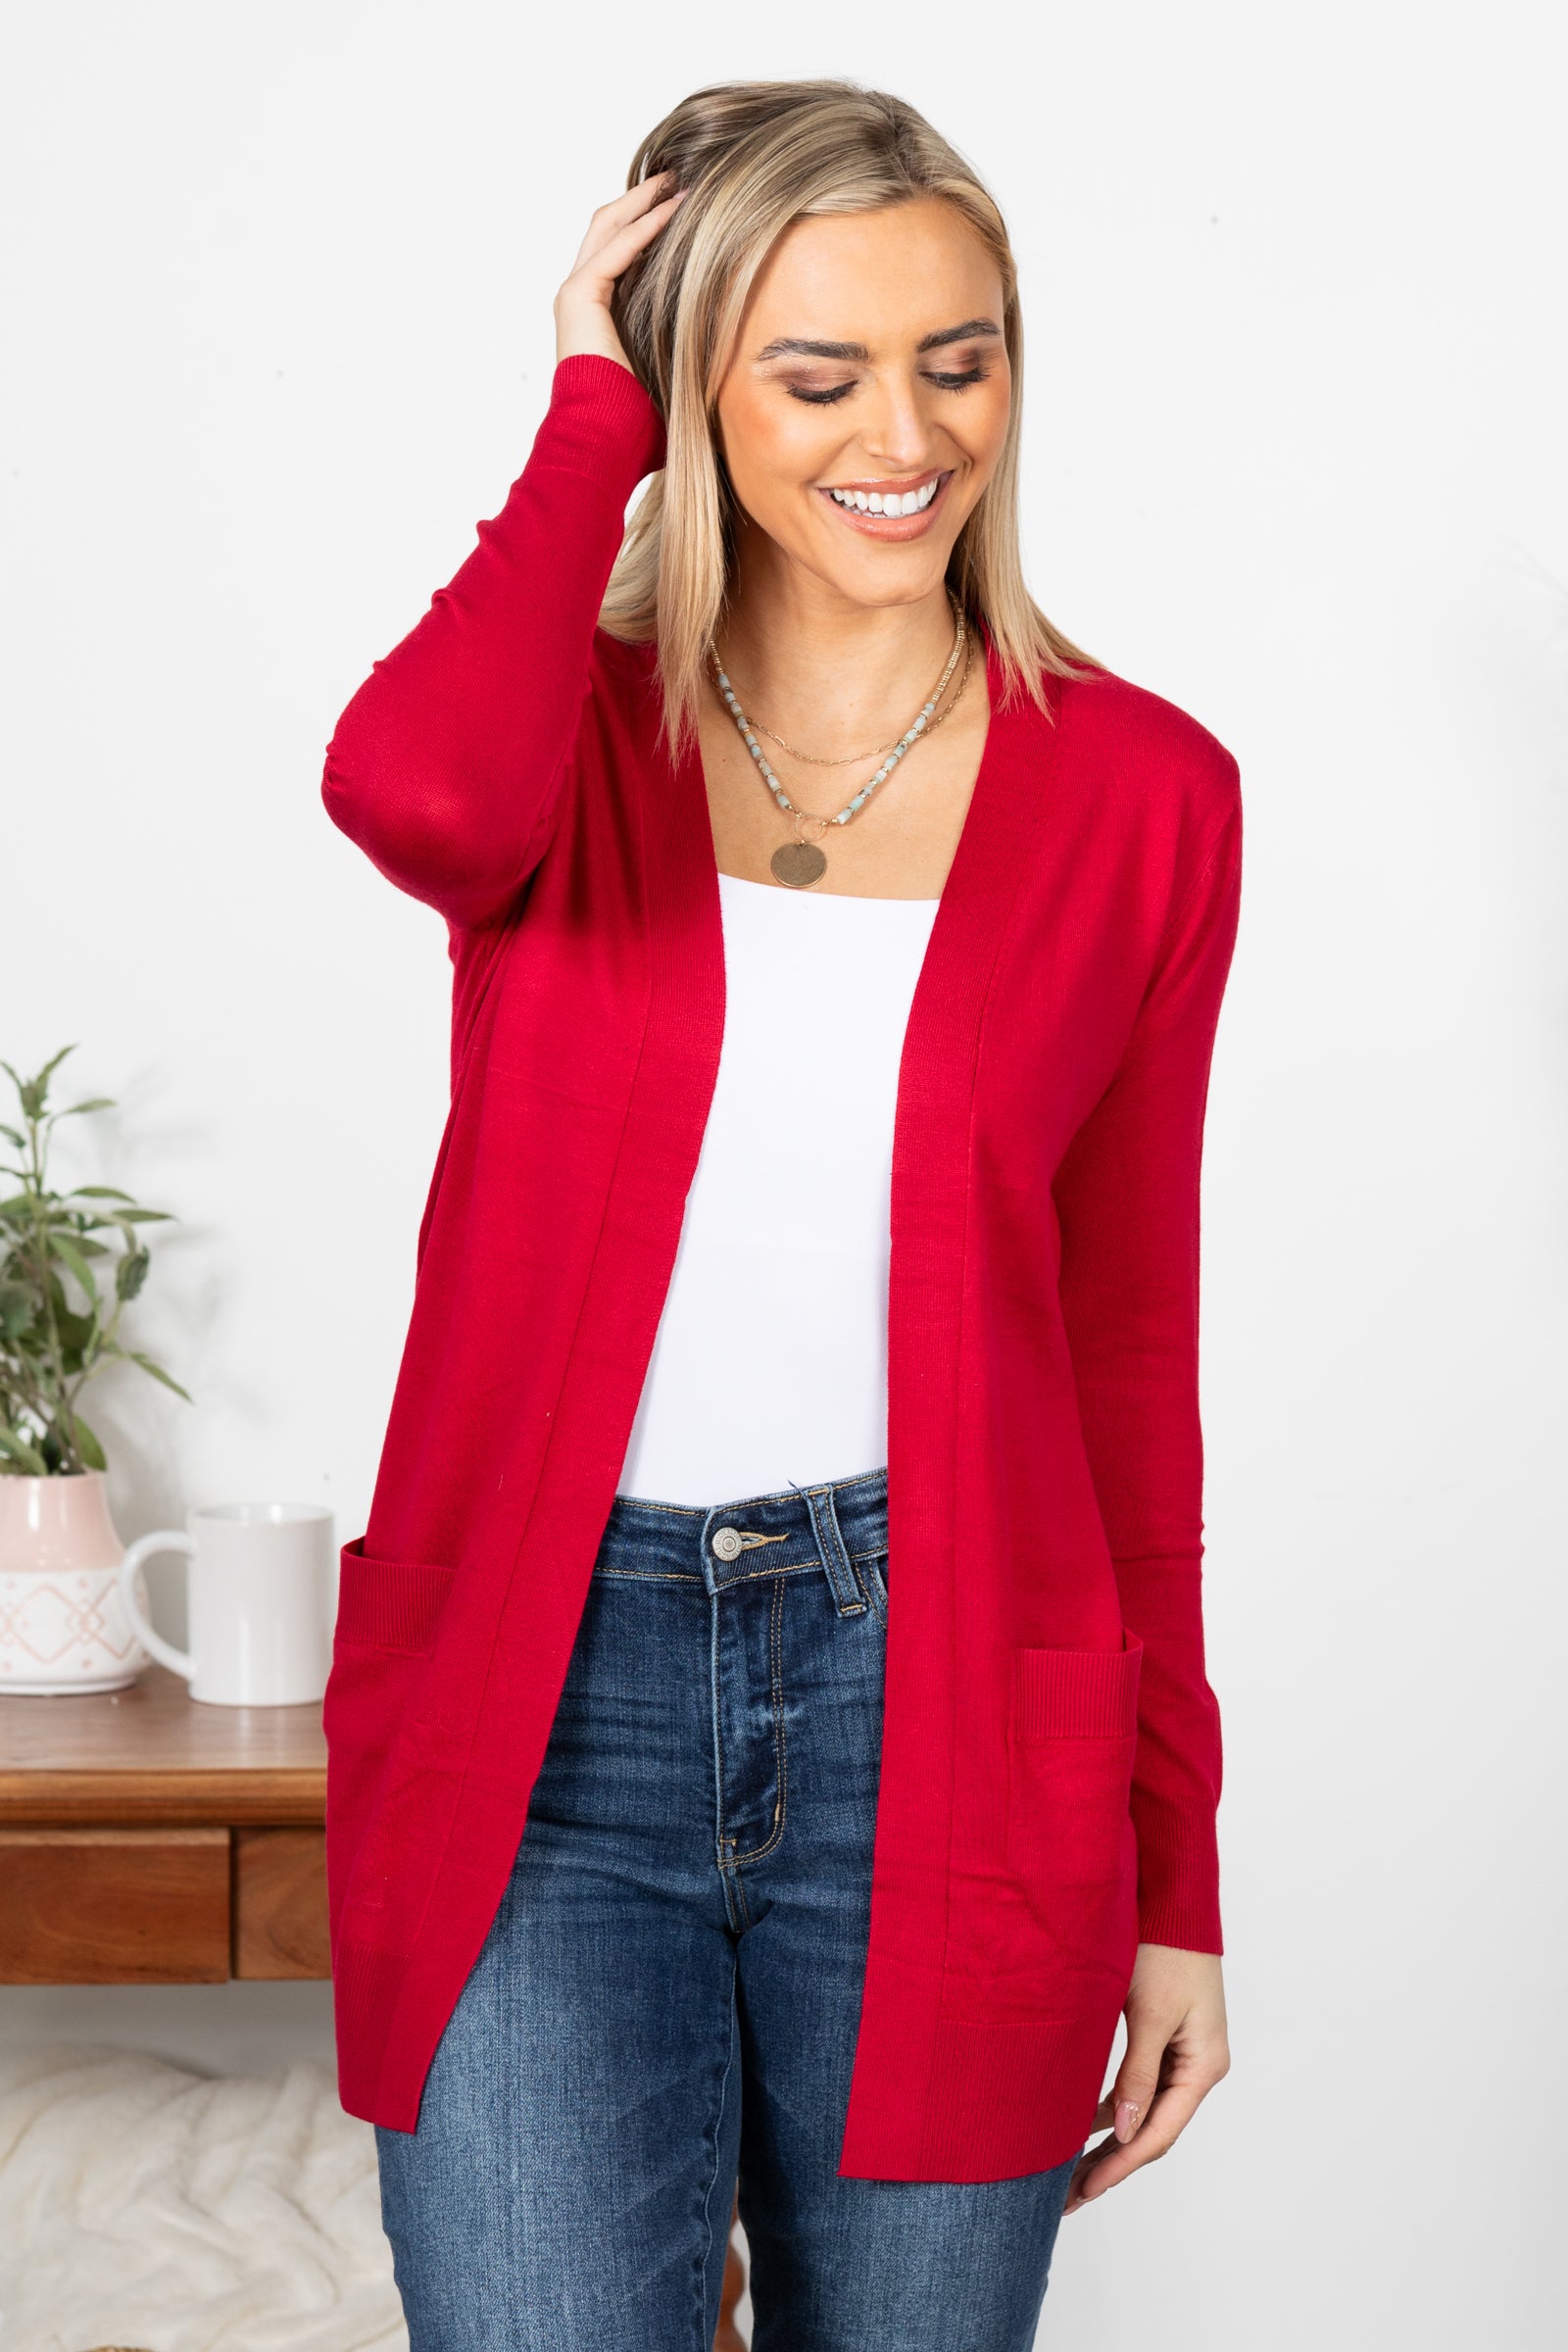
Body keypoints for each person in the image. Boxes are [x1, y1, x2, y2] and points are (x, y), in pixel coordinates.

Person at [320, 77, 1241, 2352]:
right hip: (542, 1713)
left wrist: (1175, 1869)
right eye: (814, 375)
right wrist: (584, 425)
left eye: (957, 360)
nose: (902, 436)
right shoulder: (564, 739)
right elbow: (406, 794)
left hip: (948, 1704)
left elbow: (1122, 1350)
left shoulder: (1143, 795)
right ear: (691, 388)